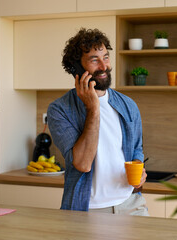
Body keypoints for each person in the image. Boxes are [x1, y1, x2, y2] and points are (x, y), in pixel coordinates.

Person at [47, 28, 148, 216]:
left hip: (131, 203)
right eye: (94, 60)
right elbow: (83, 164)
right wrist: (93, 108)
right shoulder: (59, 110)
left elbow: (137, 148)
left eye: (106, 57)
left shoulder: (128, 105)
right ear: (76, 68)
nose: (104, 66)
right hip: (87, 209)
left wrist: (138, 166)